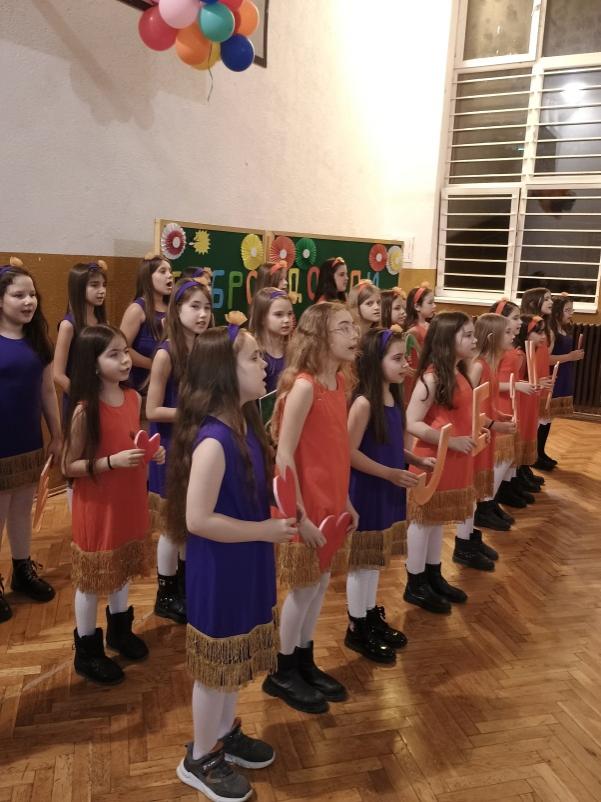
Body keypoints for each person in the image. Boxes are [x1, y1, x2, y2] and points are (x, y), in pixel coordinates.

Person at [167, 322, 295, 801]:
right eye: (254, 358)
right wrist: (263, 531)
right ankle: (199, 756)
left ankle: (223, 734)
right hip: (221, 569)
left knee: (233, 659)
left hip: (247, 560)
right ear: (224, 371)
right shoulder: (213, 442)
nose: (265, 365)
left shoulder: (245, 426)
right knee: (214, 667)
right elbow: (198, 519)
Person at [262, 303, 359, 714]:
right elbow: (284, 455)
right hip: (304, 506)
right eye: (343, 328)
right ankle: (281, 670)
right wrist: (298, 516)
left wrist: (346, 500)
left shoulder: (339, 381)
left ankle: (304, 658)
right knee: (302, 589)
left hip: (331, 502)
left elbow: (335, 449)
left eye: (353, 326)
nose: (354, 334)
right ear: (319, 337)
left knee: (318, 585)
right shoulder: (304, 387)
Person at [62, 325, 165, 684]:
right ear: (93, 363)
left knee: (122, 567)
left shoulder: (133, 399)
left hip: (128, 499)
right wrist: (111, 462)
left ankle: (120, 631)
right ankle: (87, 650)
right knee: (92, 580)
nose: (125, 360)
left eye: (125, 352)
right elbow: (68, 466)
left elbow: (132, 440)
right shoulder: (85, 410)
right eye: (114, 354)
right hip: (98, 505)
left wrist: (151, 453)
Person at [346, 327, 431, 662]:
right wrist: (389, 473)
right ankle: (356, 626)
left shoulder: (393, 398)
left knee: (375, 562)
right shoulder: (363, 403)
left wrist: (415, 459)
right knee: (362, 563)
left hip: (387, 487)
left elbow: (390, 443)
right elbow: (349, 453)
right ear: (373, 362)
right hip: (369, 490)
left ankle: (369, 615)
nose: (405, 364)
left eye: (405, 357)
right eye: (397, 358)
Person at [146, 277, 212, 624]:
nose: (202, 314)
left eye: (207, 307)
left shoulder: (206, 349)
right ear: (177, 309)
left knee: (190, 519)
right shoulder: (165, 352)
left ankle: (186, 587)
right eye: (194, 306)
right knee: (172, 526)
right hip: (170, 447)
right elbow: (152, 410)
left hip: (198, 445)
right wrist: (194, 413)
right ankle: (166, 592)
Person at [0, 258, 61, 622]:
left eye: (32, 294)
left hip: (27, 442)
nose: (28, 301)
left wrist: (57, 434)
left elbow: (48, 392)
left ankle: (22, 570)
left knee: (22, 508)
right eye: (18, 295)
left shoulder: (39, 341)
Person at [404, 312, 478, 613]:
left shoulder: (457, 372)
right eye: (467, 335)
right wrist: (450, 441)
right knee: (423, 522)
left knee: (437, 521)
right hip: (432, 459)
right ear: (447, 340)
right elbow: (412, 422)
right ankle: (415, 582)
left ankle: (433, 574)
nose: (474, 340)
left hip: (453, 458)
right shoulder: (431, 377)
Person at [120, 254, 173, 393]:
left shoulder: (172, 309)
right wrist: (154, 364)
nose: (169, 275)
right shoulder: (137, 309)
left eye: (170, 271)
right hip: (141, 387)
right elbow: (122, 348)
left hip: (168, 384)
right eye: (163, 271)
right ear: (147, 277)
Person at [248, 287, 294, 393]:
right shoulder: (256, 353)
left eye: (289, 314)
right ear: (261, 318)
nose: (287, 320)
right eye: (279, 315)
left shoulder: (293, 348)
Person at [549, 294, 584, 418]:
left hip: (564, 375)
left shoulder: (564, 329)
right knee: (545, 419)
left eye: (572, 310)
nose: (571, 313)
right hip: (553, 378)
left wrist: (574, 356)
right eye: (567, 310)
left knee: (552, 419)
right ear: (556, 312)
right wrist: (570, 357)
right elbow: (545, 359)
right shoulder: (551, 332)